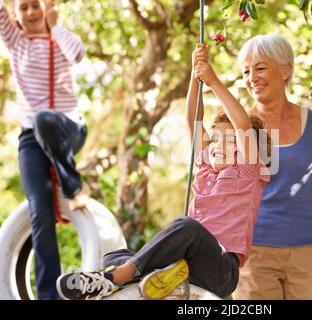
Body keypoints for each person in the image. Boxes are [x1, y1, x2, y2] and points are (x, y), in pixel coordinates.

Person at [55, 43, 271, 300]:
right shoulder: (205, 170)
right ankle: (145, 278)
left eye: (231, 141)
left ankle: (118, 278)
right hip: (187, 264)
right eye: (215, 140)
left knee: (187, 228)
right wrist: (195, 75)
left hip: (221, 270)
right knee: (115, 255)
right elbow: (194, 120)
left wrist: (212, 80)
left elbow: (243, 124)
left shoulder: (246, 173)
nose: (219, 146)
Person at [232, 34, 312, 300]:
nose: (252, 78)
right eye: (246, 71)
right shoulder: (240, 126)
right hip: (252, 254)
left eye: (260, 68)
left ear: (285, 69)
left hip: (308, 252)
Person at [0, 0, 89, 299]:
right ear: (15, 14)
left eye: (35, 5)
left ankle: (72, 184)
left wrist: (55, 24)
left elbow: (78, 54)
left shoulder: (61, 37)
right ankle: (49, 295)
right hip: (31, 142)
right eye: (23, 8)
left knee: (44, 119)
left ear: (46, 5)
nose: (30, 12)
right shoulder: (16, 41)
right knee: (39, 212)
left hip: (67, 129)